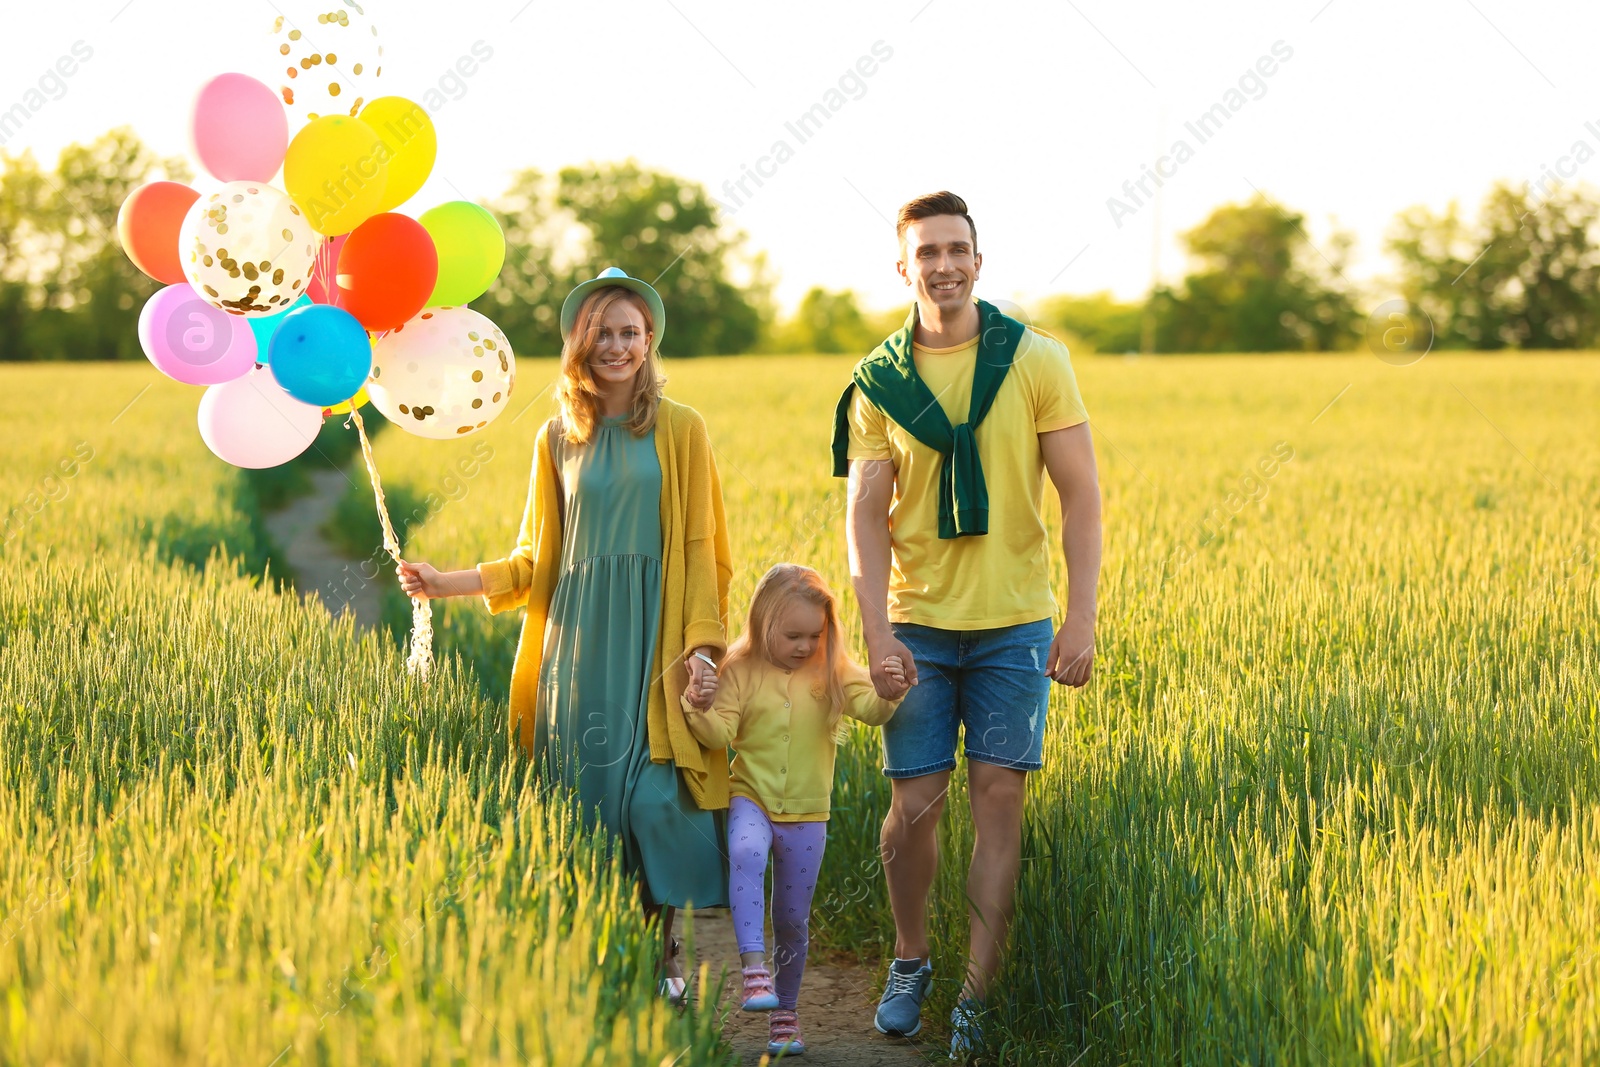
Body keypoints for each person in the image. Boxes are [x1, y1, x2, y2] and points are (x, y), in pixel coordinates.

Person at [396, 266, 735, 1002]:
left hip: (654, 643)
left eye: (630, 332)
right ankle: (606, 967)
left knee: (653, 802)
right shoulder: (557, 437)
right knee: (585, 813)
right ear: (579, 345)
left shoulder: (682, 428)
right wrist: (443, 579)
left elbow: (705, 550)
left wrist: (703, 651)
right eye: (602, 333)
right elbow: (532, 558)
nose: (617, 346)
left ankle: (667, 951)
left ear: (649, 341)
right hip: (577, 648)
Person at [831, 191, 1102, 1058]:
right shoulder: (876, 382)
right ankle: (912, 957)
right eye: (927, 252)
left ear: (979, 262)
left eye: (958, 249)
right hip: (916, 624)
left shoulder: (1036, 360)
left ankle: (976, 996)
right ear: (903, 267)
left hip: (1016, 626)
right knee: (913, 805)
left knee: (1000, 799)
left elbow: (1082, 495)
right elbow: (865, 517)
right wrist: (876, 633)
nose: (943, 264)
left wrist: (1083, 614)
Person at [680, 563, 909, 1058]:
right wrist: (698, 708)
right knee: (744, 850)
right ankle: (753, 969)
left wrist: (891, 691)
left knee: (792, 917)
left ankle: (785, 1011)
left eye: (815, 634)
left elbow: (870, 708)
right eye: (793, 636)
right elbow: (720, 734)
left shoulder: (832, 668)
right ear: (763, 625)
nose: (805, 646)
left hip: (808, 813)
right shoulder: (739, 671)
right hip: (752, 797)